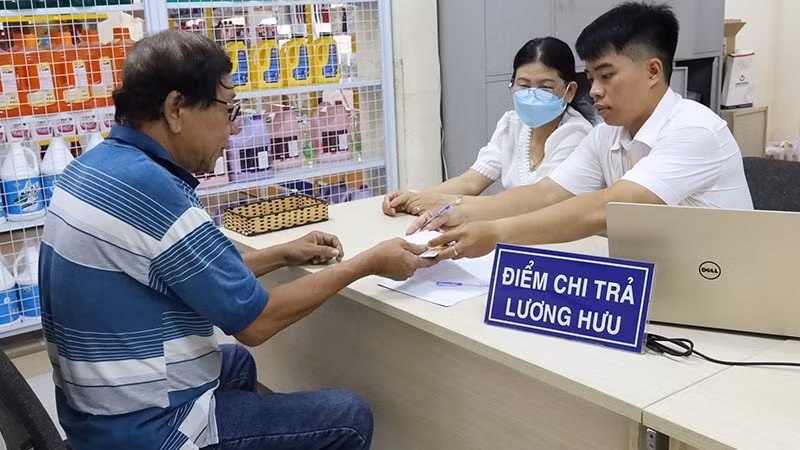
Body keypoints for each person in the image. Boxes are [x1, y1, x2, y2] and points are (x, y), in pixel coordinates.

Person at [39, 29, 434, 450]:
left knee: (236, 366)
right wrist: (368, 262)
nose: (234, 128)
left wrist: (281, 253)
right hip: (145, 431)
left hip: (98, 410)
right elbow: (257, 323)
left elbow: (184, 275)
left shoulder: (96, 166)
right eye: (228, 110)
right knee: (348, 416)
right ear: (176, 109)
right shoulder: (151, 191)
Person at [408, 2, 753, 260]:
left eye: (606, 75)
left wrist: (495, 233)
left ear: (652, 71)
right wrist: (461, 212)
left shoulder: (695, 129)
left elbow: (604, 207)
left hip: (723, 284)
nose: (596, 90)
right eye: (592, 77)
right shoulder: (606, 135)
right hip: (661, 280)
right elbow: (545, 194)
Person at [382, 37, 594, 217]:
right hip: (512, 230)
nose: (532, 94)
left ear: (570, 90)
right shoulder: (512, 124)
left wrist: (445, 206)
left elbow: (541, 200)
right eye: (524, 85)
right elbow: (472, 181)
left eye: (545, 87)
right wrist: (417, 198)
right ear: (512, 84)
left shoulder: (576, 134)